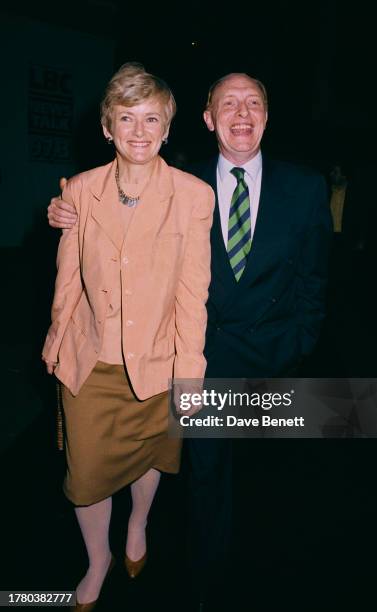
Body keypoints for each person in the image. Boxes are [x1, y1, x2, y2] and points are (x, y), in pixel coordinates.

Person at [47, 72, 332, 609]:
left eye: (254, 103)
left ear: (267, 117)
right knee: (202, 483)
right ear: (207, 120)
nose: (242, 114)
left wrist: (299, 343)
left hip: (267, 359)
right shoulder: (185, 181)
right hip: (195, 353)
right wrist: (64, 212)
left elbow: (314, 277)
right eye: (229, 104)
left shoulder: (304, 186)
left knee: (270, 487)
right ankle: (201, 584)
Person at [42, 62, 214, 611]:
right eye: (126, 119)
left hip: (158, 364)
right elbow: (67, 280)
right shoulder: (81, 191)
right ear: (106, 127)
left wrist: (189, 373)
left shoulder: (193, 196)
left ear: (167, 128)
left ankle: (138, 524)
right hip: (90, 364)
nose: (138, 132)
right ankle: (99, 560)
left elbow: (193, 292)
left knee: (149, 459)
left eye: (151, 120)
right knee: (86, 475)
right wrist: (54, 344)